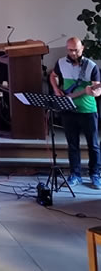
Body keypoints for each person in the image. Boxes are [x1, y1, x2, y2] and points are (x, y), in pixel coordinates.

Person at [49, 37, 101, 189]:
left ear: (82, 48)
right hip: (68, 109)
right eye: (70, 50)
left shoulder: (91, 66)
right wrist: (56, 90)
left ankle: (95, 174)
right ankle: (75, 174)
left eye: (76, 50)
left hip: (87, 110)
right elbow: (53, 75)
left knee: (93, 145)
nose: (73, 53)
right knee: (72, 145)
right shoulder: (61, 63)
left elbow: (97, 90)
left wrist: (92, 92)